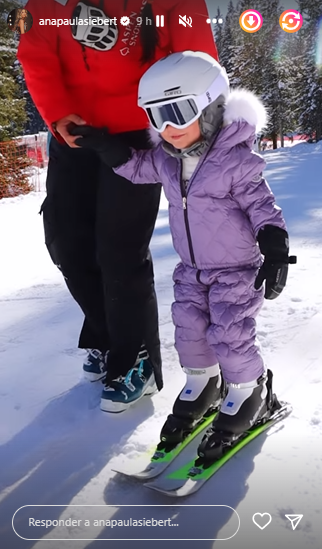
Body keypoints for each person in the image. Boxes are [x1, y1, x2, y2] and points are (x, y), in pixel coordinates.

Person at [70, 51, 297, 449]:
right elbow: (139, 168)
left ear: (211, 106)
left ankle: (250, 392)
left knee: (230, 334)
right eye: (159, 116)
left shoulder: (236, 161)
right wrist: (108, 149)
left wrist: (274, 247)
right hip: (191, 269)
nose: (169, 127)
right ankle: (203, 384)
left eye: (180, 111)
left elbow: (263, 205)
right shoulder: (166, 159)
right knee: (189, 332)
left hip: (235, 270)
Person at [17, 0, 219, 413]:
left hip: (138, 134)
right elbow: (37, 51)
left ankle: (133, 359)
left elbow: (197, 63)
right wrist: (56, 114)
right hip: (73, 132)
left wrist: (195, 134)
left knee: (118, 249)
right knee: (67, 244)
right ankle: (106, 335)